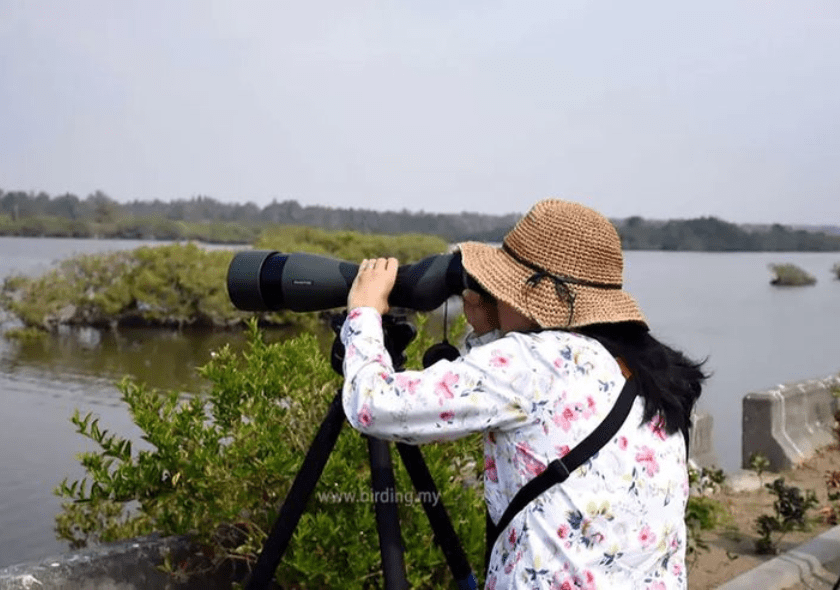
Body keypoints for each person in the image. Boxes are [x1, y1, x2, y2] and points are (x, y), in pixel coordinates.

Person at [340, 199, 706, 589]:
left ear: (532, 298)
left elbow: (373, 403)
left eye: (503, 289)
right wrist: (487, 329)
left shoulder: (534, 362)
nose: (498, 297)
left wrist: (363, 311)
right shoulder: (652, 368)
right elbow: (532, 415)